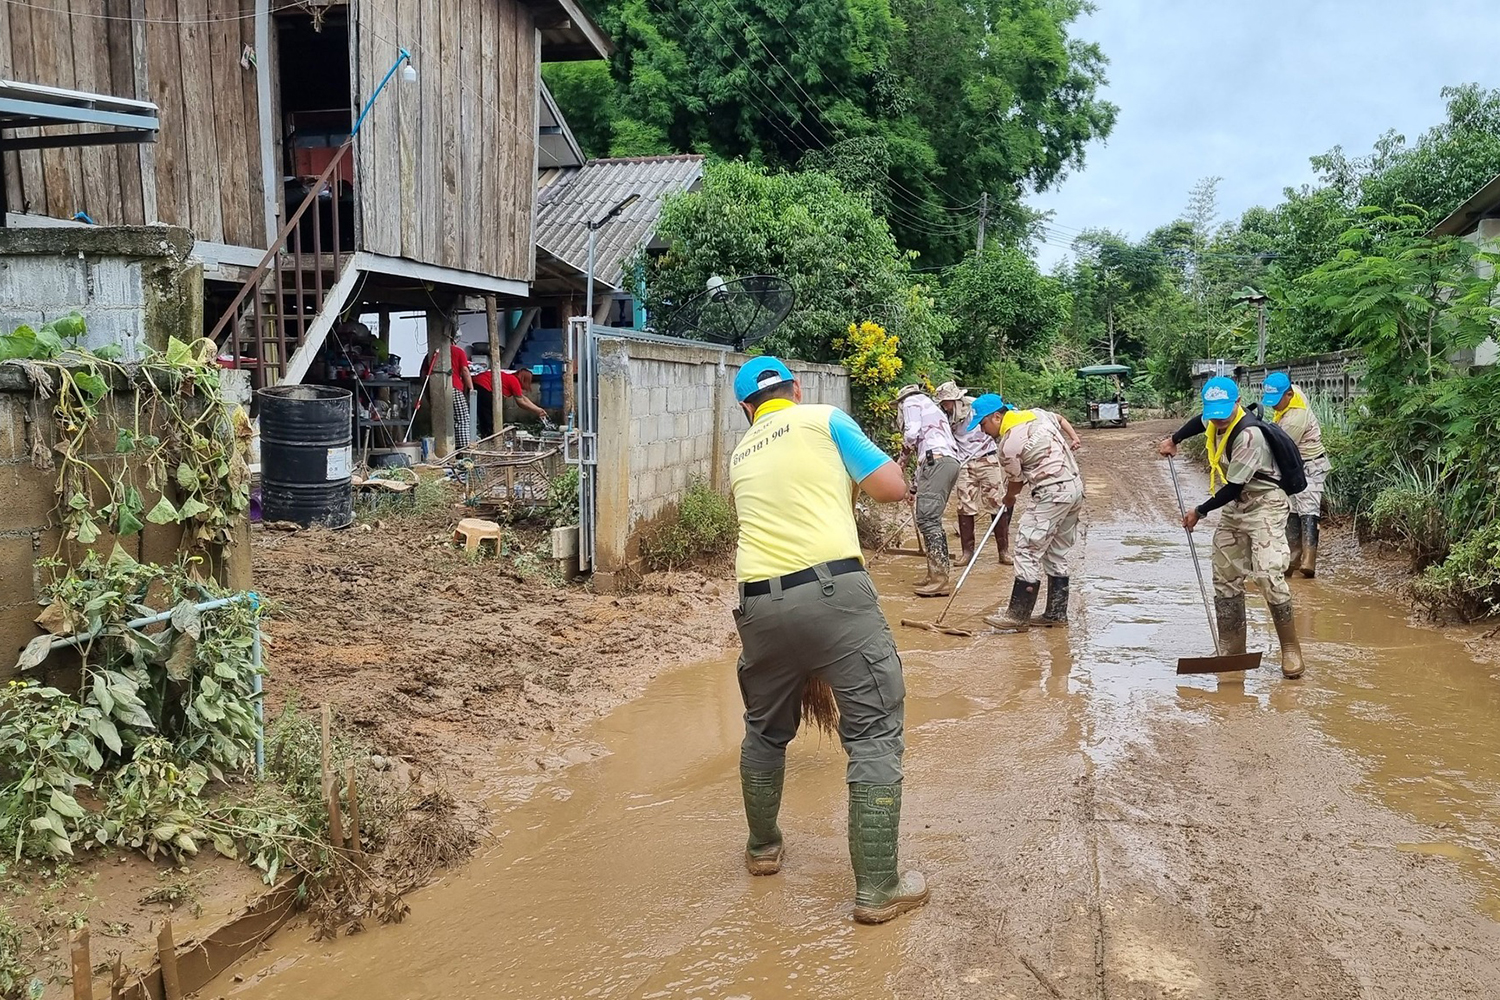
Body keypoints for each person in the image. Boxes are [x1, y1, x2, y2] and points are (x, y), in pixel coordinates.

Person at [728, 356, 928, 925]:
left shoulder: (740, 454)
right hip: (834, 593)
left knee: (764, 731)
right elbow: (891, 486)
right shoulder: (825, 418)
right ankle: (878, 889)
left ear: (748, 409)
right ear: (795, 389)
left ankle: (763, 850)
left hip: (757, 605)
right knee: (873, 734)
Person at [1158, 376, 1304, 679]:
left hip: (1266, 502)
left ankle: (1291, 650)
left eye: (1224, 411)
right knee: (1224, 574)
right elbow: (1200, 422)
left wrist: (1199, 511)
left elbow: (1234, 486)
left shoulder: (1250, 436)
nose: (1218, 418)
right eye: (1213, 411)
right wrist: (1174, 439)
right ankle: (1231, 650)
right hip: (1237, 507)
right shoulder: (1214, 416)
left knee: (1267, 573)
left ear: (1237, 403)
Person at [966, 395, 1085, 630]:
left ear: (997, 417)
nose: (982, 429)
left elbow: (1016, 482)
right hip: (1075, 488)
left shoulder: (1007, 445)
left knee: (1026, 548)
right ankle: (1056, 614)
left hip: (1051, 493)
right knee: (1056, 550)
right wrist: (1074, 437)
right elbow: (1060, 419)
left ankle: (1018, 616)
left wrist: (1008, 499)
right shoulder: (1037, 414)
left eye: (983, 423)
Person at [935, 381, 1011, 566]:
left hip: (986, 457)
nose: (945, 406)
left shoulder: (975, 406)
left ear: (955, 399)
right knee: (964, 506)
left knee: (996, 503)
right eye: (943, 403)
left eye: (947, 402)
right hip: (964, 462)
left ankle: (1004, 551)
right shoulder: (943, 416)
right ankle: (967, 552)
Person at [1261, 371, 1327, 578]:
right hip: (1296, 466)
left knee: (1308, 509)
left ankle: (1308, 561)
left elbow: (1280, 449)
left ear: (1288, 395)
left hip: (1311, 464)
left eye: (1277, 400)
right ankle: (1292, 558)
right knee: (1293, 508)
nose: (1273, 406)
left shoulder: (1295, 419)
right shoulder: (1296, 393)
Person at [896, 384, 960, 597]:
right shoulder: (932, 409)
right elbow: (924, 458)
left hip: (938, 463)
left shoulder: (911, 402)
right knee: (929, 517)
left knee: (928, 520)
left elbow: (911, 434)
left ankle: (940, 580)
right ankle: (935, 576)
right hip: (944, 463)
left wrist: (901, 458)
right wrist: (914, 489)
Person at [419, 342, 473, 450]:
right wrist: (471, 388)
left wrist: (427, 393)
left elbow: (423, 374)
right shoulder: (458, 351)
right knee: (462, 419)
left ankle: (441, 448)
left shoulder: (431, 354)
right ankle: (463, 449)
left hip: (435, 390)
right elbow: (465, 370)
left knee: (440, 420)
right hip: (454, 388)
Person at [474, 367, 554, 437]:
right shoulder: (514, 381)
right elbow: (521, 403)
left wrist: (538, 409)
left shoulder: (511, 379)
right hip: (483, 385)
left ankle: (487, 436)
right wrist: (536, 410)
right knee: (487, 417)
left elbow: (523, 398)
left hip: (478, 382)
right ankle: (489, 438)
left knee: (485, 416)